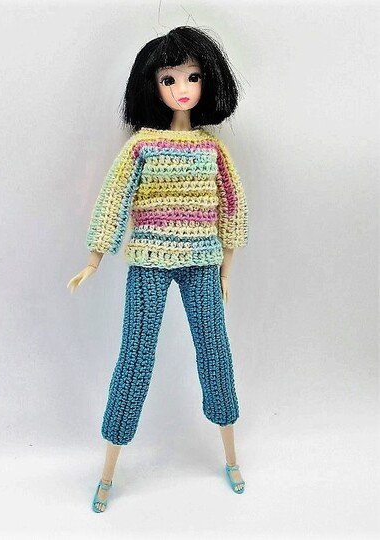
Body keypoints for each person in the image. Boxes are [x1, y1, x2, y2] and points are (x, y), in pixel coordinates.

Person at [67, 25, 249, 513]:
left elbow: (231, 207)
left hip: (203, 263)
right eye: (169, 79)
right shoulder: (142, 146)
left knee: (215, 352)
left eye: (192, 77)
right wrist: (94, 258)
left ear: (209, 80)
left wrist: (226, 268)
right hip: (148, 260)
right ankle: (108, 470)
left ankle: (231, 457)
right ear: (152, 86)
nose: (182, 88)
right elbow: (113, 198)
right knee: (135, 356)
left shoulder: (212, 149)